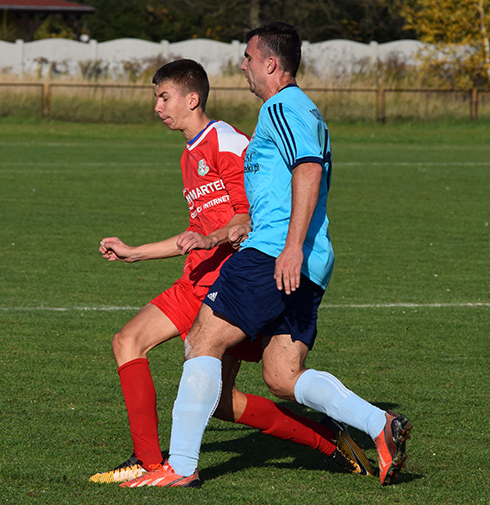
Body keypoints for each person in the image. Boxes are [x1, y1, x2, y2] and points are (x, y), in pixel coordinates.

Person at [122, 24, 412, 489]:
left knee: (202, 340)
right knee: (281, 375)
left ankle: (180, 466)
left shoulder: (282, 106)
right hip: (308, 258)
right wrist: (243, 227)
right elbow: (277, 187)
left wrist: (290, 245)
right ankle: (380, 424)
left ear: (271, 63)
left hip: (276, 253)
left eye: (248, 58)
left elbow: (308, 170)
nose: (243, 66)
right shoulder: (299, 110)